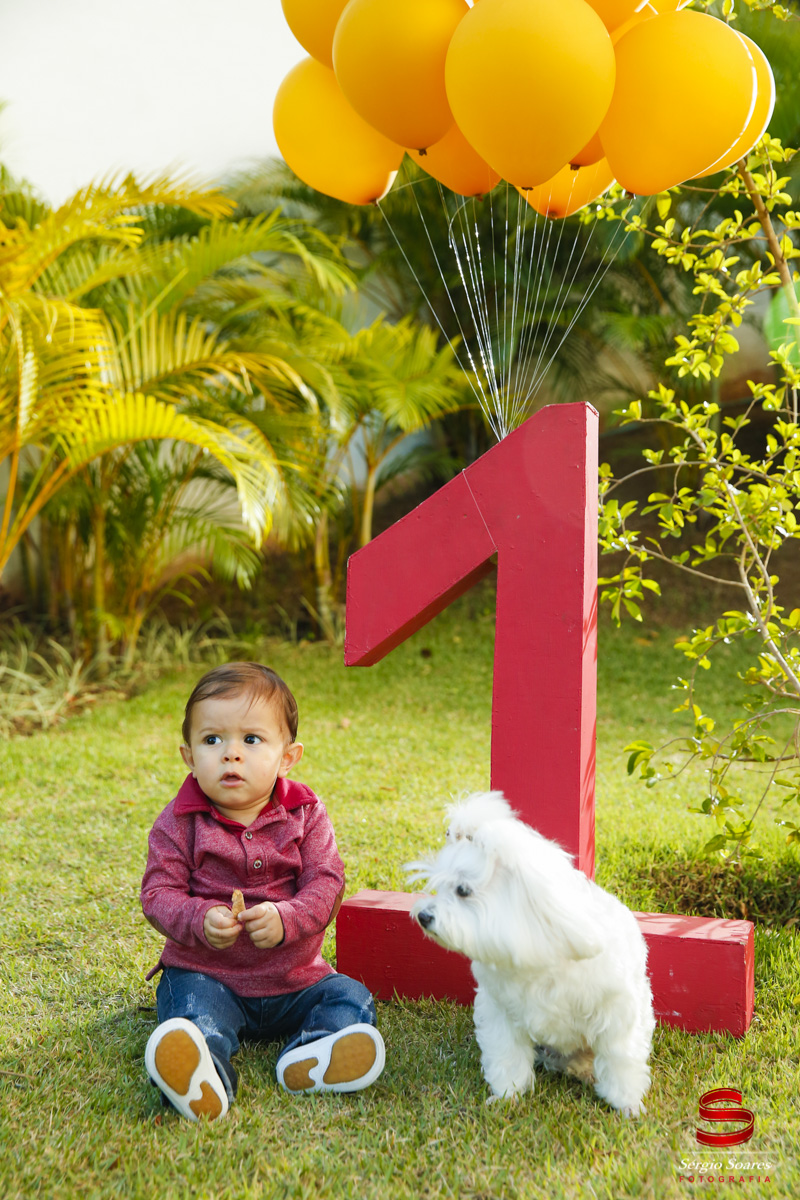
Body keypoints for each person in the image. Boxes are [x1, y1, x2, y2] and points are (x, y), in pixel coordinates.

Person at [141, 661, 384, 1121]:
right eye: (212, 740)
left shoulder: (305, 813)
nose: (231, 754)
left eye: (251, 740)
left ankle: (313, 1054)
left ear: (287, 757)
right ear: (189, 755)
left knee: (350, 997)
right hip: (207, 976)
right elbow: (158, 893)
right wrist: (199, 918)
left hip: (296, 979)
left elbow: (327, 881)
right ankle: (202, 1072)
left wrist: (287, 917)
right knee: (192, 1013)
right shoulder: (178, 822)